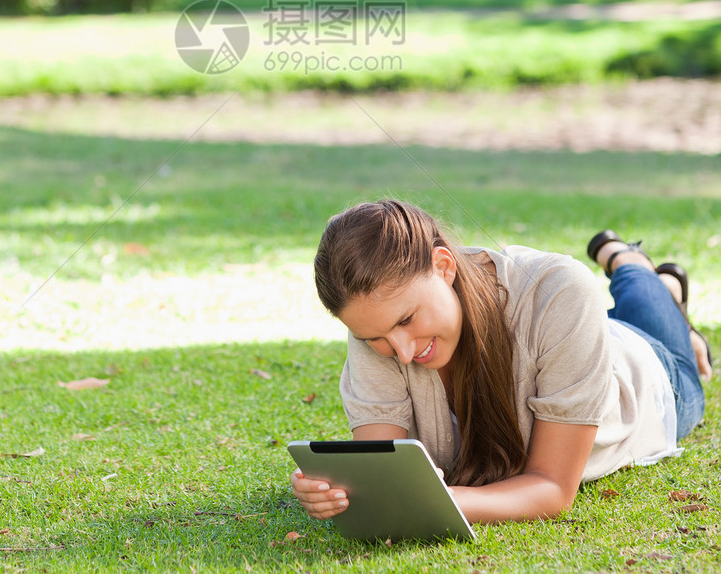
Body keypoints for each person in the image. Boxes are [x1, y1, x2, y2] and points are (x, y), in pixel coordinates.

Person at [291, 200, 712, 526]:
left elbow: (552, 488)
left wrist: (447, 501)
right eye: (375, 338)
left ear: (443, 267)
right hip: (578, 343)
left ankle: (630, 262)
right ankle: (661, 286)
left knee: (642, 292)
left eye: (406, 320)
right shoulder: (376, 319)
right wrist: (342, 489)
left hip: (652, 372)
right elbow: (382, 472)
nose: (401, 352)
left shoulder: (560, 289)